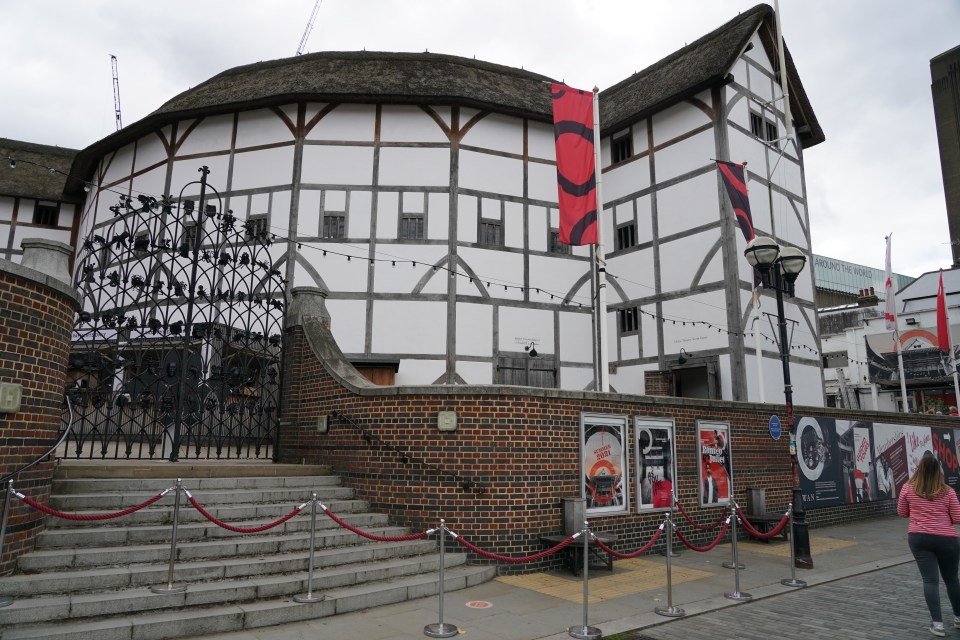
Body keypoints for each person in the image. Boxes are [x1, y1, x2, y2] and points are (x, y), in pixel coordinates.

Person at [898, 453, 960, 636]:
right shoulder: (948, 491)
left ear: (919, 469)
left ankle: (938, 624)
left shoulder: (907, 488)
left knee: (930, 580)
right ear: (938, 469)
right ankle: (958, 617)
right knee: (952, 580)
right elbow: (957, 517)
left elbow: (902, 512)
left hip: (919, 538)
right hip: (947, 539)